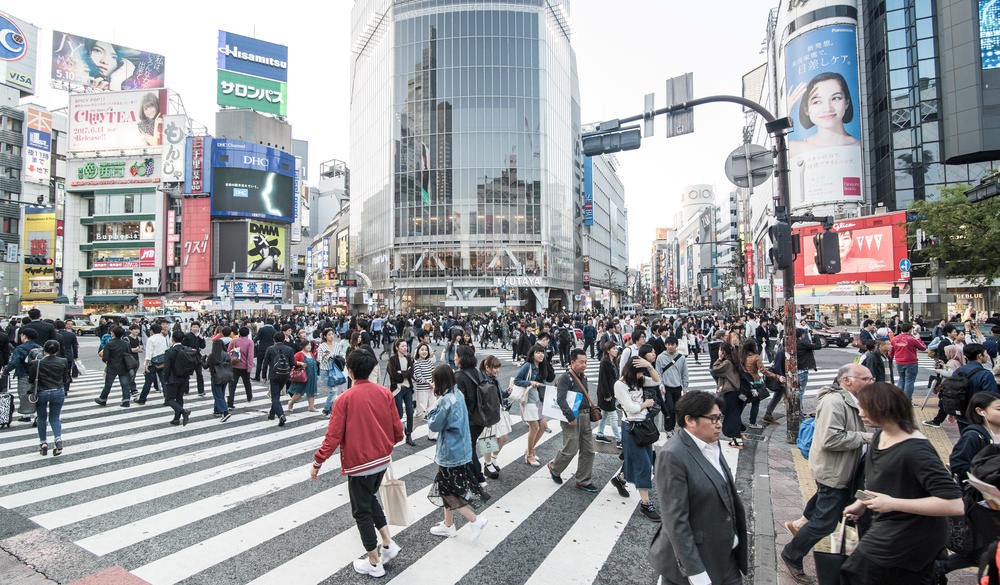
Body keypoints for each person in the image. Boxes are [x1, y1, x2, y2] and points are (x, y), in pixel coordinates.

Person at [840, 382, 963, 583]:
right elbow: (879, 479)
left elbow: (955, 504)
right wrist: (861, 502)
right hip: (888, 528)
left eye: (865, 407)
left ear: (883, 407)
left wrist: (893, 503)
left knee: (857, 571)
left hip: (910, 536)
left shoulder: (915, 450)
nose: (860, 412)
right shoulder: (881, 434)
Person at [309, 348, 404, 579]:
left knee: (361, 511)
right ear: (371, 369)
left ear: (350, 371)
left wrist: (317, 461)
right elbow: (398, 431)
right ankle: (388, 543)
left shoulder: (344, 399)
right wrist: (386, 442)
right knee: (369, 499)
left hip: (360, 463)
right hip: (382, 459)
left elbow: (333, 437)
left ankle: (374, 561)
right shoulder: (384, 393)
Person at [780, 363, 873, 584]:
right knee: (825, 522)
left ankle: (800, 524)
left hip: (843, 469)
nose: (871, 383)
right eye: (866, 379)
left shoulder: (852, 400)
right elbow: (831, 439)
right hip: (834, 470)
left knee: (828, 505)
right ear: (847, 381)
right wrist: (864, 437)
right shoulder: (835, 402)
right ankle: (792, 553)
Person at [650, 391, 748, 585]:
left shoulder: (710, 442)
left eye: (720, 417)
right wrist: (695, 572)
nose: (719, 424)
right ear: (690, 421)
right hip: (694, 564)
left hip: (724, 556)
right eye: (713, 419)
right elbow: (675, 520)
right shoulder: (673, 455)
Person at [425, 364, 490, 540]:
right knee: (447, 486)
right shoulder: (456, 393)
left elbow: (434, 424)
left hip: (450, 452)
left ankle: (475, 520)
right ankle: (448, 524)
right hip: (461, 448)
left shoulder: (446, 401)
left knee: (448, 491)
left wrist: (432, 405)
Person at [938, 392, 1000, 576]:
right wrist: (982, 479)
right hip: (981, 503)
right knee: (980, 552)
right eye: (998, 409)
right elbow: (957, 462)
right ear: (980, 411)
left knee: (983, 551)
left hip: (994, 503)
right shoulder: (975, 436)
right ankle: (935, 570)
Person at [547, 349, 600, 493]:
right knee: (570, 448)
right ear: (572, 362)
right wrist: (570, 417)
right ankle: (554, 467)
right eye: (581, 362)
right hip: (572, 418)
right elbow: (560, 399)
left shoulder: (584, 377)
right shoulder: (565, 378)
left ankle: (583, 481)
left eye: (586, 362)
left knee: (589, 450)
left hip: (585, 416)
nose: (584, 365)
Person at [614, 360, 661, 520]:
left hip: (644, 425)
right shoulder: (620, 385)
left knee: (641, 459)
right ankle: (645, 503)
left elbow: (657, 380)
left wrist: (648, 365)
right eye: (639, 372)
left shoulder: (639, 380)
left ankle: (620, 479)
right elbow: (631, 408)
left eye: (643, 372)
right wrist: (645, 404)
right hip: (631, 428)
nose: (642, 375)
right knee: (644, 464)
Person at [28, 340, 67, 456]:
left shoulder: (36, 363)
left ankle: (43, 443)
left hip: (42, 392)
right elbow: (65, 378)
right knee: (55, 418)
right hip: (58, 391)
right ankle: (58, 439)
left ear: (44, 350)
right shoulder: (63, 361)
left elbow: (31, 379)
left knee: (41, 418)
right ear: (57, 350)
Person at [513, 344, 547, 465]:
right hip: (528, 401)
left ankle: (529, 449)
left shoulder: (540, 367)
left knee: (543, 426)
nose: (541, 354)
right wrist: (530, 382)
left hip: (537, 400)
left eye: (542, 352)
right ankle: (530, 455)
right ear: (532, 354)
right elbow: (517, 380)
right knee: (534, 428)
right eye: (538, 352)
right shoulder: (528, 366)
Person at [479, 355, 510, 480]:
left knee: (503, 437)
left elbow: (499, 394)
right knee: (488, 439)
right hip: (487, 413)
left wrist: (507, 392)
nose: (497, 370)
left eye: (498, 368)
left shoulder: (494, 379)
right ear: (487, 367)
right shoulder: (482, 379)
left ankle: (493, 459)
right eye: (494, 368)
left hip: (497, 411)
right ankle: (487, 465)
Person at [713, 341, 744, 449]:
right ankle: (738, 436)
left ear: (724, 352)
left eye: (720, 350)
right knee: (734, 414)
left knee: (730, 416)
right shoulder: (733, 360)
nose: (719, 352)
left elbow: (715, 369)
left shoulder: (726, 363)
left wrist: (719, 358)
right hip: (734, 391)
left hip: (729, 392)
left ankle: (737, 440)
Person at [656, 336, 689, 437]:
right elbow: (658, 373)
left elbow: (684, 373)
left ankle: (674, 427)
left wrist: (685, 387)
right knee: (669, 409)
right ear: (665, 345)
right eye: (668, 344)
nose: (670, 347)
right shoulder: (660, 357)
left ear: (676, 345)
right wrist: (661, 385)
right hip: (666, 387)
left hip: (677, 387)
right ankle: (668, 429)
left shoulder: (681, 357)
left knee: (677, 409)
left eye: (672, 345)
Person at [386, 339, 417, 446]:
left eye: (406, 346)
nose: (405, 348)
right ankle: (394, 432)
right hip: (397, 389)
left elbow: (411, 372)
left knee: (410, 411)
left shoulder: (408, 358)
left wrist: (402, 373)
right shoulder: (392, 359)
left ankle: (408, 434)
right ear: (397, 347)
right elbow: (395, 376)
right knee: (398, 413)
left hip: (408, 388)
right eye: (402, 346)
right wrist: (406, 373)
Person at [261, 331, 295, 426]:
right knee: (277, 395)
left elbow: (265, 363)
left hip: (274, 374)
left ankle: (281, 415)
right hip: (285, 375)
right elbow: (292, 363)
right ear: (284, 339)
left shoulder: (270, 349)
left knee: (275, 397)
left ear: (274, 340)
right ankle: (272, 414)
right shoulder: (289, 349)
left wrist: (263, 376)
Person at [161, 330, 193, 426]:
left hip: (172, 378)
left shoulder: (170, 352)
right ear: (182, 339)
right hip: (184, 377)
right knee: (179, 397)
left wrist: (165, 379)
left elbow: (166, 368)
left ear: (172, 339)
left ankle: (183, 412)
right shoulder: (187, 349)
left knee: (169, 399)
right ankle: (176, 418)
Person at [96, 327, 133, 408]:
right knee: (125, 384)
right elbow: (129, 353)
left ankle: (103, 399)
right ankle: (126, 400)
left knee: (108, 384)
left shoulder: (109, 344)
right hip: (124, 366)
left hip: (112, 367)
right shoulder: (126, 344)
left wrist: (107, 361)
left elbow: (105, 358)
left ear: (113, 333)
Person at [889, 322, 926, 400]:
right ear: (910, 330)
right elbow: (923, 348)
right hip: (911, 362)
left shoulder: (894, 339)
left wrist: (891, 361)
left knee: (901, 379)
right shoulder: (912, 339)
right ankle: (907, 400)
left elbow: (891, 352)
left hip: (899, 362)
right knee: (909, 381)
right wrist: (918, 338)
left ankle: (899, 398)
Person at [595, 341, 622, 447]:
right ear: (608, 351)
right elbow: (603, 380)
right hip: (605, 394)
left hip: (611, 392)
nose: (616, 350)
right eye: (614, 349)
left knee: (604, 414)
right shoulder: (604, 362)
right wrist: (607, 395)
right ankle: (619, 440)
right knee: (613, 416)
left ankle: (600, 434)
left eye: (616, 348)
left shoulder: (613, 361)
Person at [412, 342, 438, 442]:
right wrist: (429, 383)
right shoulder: (416, 363)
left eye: (426, 350)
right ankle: (409, 428)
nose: (424, 352)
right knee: (420, 413)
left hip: (431, 390)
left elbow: (434, 373)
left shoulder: (430, 362)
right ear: (418, 351)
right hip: (422, 391)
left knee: (433, 411)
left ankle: (432, 434)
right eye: (422, 350)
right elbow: (418, 377)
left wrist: (434, 382)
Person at [287, 339, 319, 413]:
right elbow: (292, 361)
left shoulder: (311, 353)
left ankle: (311, 407)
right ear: (303, 346)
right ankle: (291, 403)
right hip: (303, 376)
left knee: (311, 391)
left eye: (310, 345)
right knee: (299, 393)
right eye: (307, 345)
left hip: (312, 376)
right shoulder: (299, 354)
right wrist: (300, 363)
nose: (309, 346)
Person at [205, 338, 233, 422]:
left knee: (218, 395)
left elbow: (205, 366)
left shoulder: (212, 355)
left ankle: (225, 412)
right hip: (225, 376)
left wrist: (203, 359)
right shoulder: (227, 354)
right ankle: (217, 410)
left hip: (216, 377)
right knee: (221, 393)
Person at [227, 326, 255, 408]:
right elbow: (250, 356)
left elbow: (228, 351)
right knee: (247, 383)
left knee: (232, 385)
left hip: (234, 365)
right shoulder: (250, 342)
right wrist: (249, 367)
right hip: (245, 367)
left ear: (239, 333)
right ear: (248, 333)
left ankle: (230, 402)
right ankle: (249, 397)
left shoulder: (234, 341)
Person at [54, 320, 77, 397]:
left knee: (56, 372)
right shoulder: (71, 335)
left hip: (56, 356)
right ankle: (66, 389)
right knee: (67, 372)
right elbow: (75, 347)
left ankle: (57, 388)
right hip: (68, 356)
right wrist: (75, 356)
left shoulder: (54, 335)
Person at [183, 321, 207, 396]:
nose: (195, 329)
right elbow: (183, 346)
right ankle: (185, 390)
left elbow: (203, 346)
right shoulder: (187, 335)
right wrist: (190, 349)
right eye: (193, 327)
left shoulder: (199, 336)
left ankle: (201, 391)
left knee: (199, 374)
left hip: (197, 357)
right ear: (191, 328)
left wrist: (202, 338)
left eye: (196, 327)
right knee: (186, 374)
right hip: (189, 357)